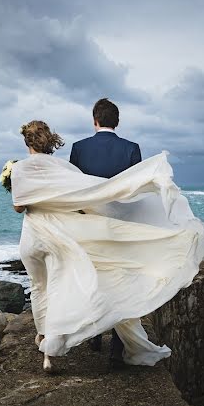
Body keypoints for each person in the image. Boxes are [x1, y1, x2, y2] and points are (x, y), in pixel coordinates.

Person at [10, 119, 204, 372]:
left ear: (26, 142)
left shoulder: (19, 169)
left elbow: (19, 206)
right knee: (60, 286)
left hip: (32, 236)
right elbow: (82, 198)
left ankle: (42, 338)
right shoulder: (64, 168)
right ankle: (50, 351)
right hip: (57, 236)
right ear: (49, 140)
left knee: (39, 288)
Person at [69, 98, 141, 365]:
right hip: (121, 227)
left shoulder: (79, 149)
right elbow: (134, 193)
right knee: (122, 285)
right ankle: (117, 349)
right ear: (117, 122)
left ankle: (95, 334)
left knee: (92, 281)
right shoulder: (131, 149)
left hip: (88, 227)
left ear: (94, 120)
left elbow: (75, 192)